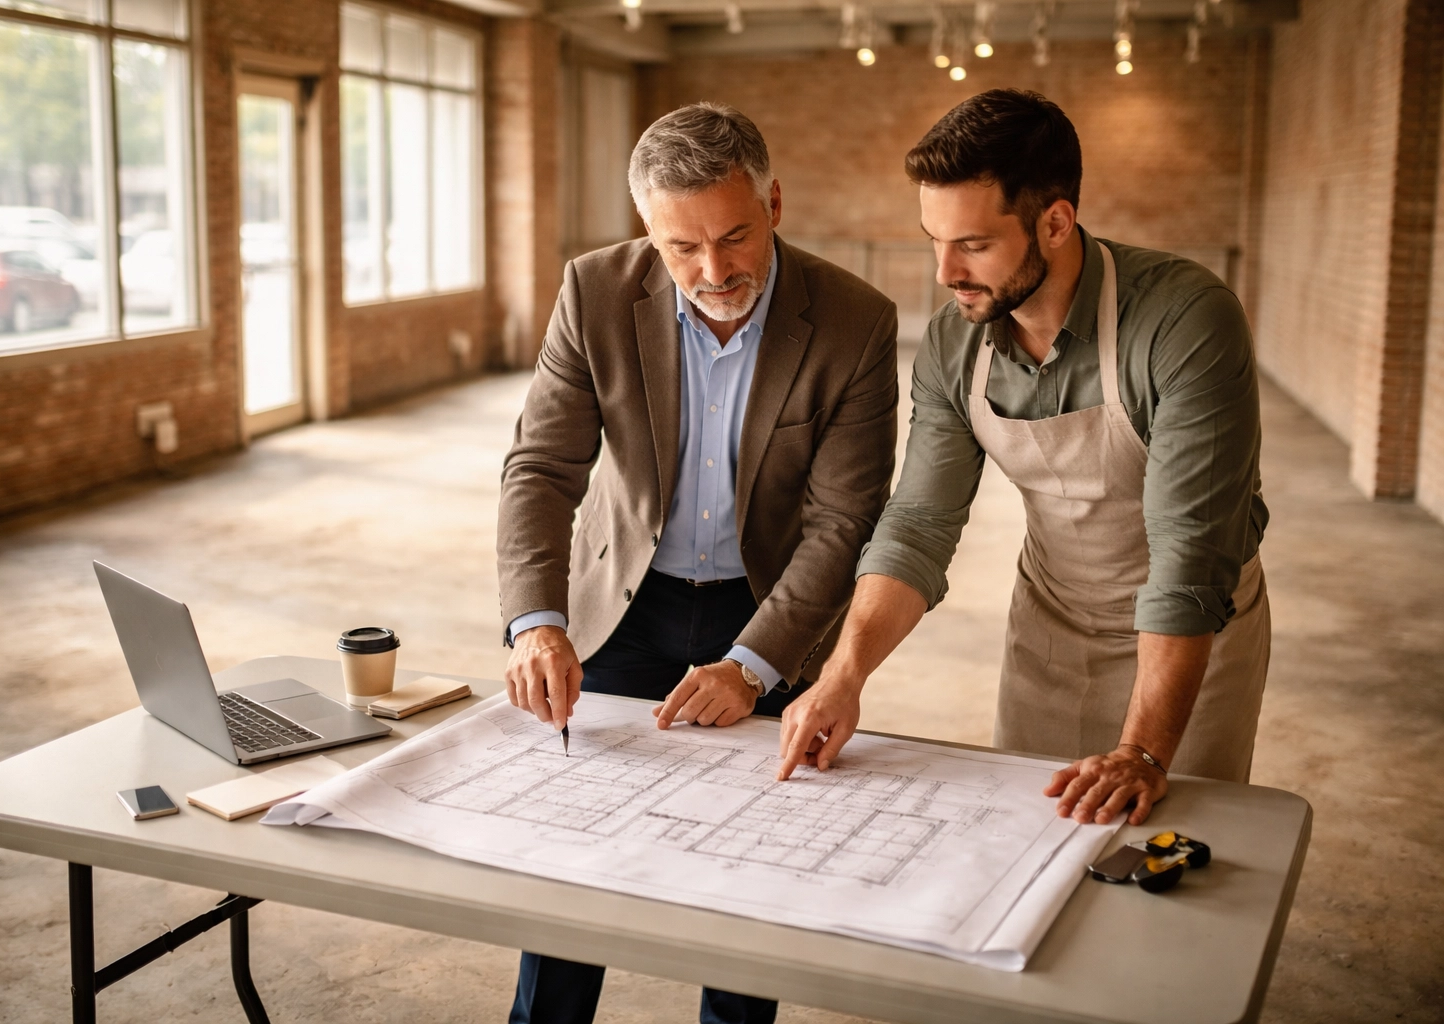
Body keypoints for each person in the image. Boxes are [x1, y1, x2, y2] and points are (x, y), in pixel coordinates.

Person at [496, 102, 899, 1024]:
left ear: (775, 204)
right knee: (576, 864)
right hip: (620, 609)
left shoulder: (854, 320)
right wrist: (537, 623)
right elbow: (542, 468)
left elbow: (844, 521)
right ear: (648, 230)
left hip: (768, 612)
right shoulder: (594, 292)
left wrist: (754, 666)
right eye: (682, 248)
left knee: (750, 873)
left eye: (734, 237)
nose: (714, 272)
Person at [778, 89, 1271, 832]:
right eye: (934, 240)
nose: (945, 271)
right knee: (1031, 837)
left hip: (1196, 631)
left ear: (1055, 222)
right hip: (1051, 625)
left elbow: (1189, 554)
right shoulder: (955, 342)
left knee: (1166, 848)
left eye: (973, 245)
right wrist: (843, 676)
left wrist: (1142, 751)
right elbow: (918, 524)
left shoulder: (1183, 320)